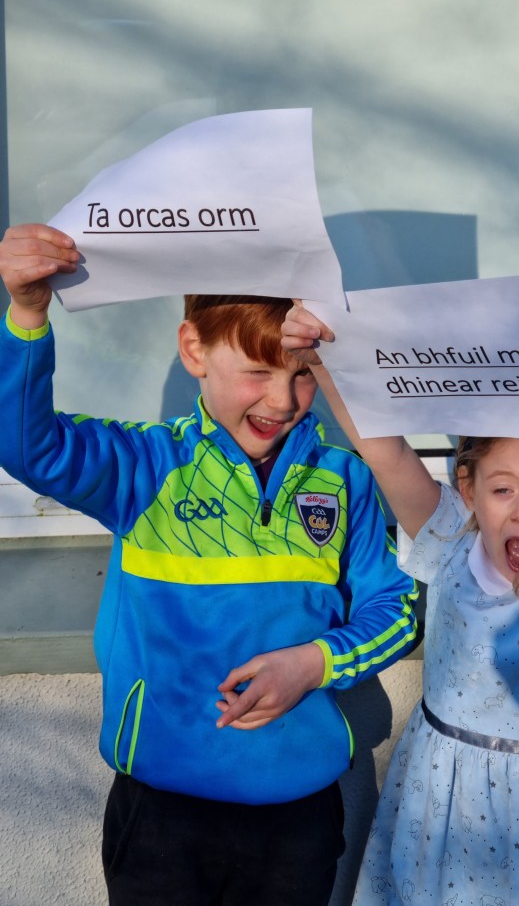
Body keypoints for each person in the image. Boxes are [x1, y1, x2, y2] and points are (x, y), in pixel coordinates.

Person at [0, 223, 419, 906]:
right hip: (162, 818)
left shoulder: (344, 478)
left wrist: (313, 663)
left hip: (299, 816)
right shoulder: (145, 464)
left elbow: (395, 610)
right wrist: (26, 312)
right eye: (257, 371)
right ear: (195, 348)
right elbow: (25, 446)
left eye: (304, 376)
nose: (283, 401)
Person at [282, 302, 519, 906]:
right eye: (503, 488)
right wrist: (325, 363)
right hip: (444, 807)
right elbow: (385, 453)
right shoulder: (448, 543)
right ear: (468, 488)